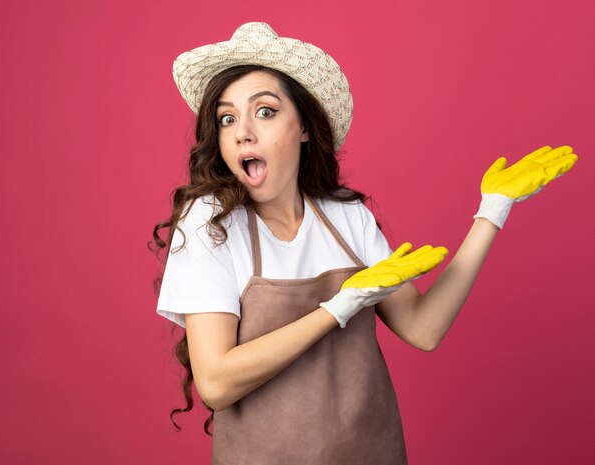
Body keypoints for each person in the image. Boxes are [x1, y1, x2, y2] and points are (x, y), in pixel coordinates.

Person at [150, 22, 578, 465]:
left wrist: (493, 210)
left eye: (265, 111)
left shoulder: (345, 216)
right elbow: (216, 383)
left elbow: (423, 328)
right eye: (226, 118)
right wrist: (337, 309)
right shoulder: (211, 223)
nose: (242, 132)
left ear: (304, 127)